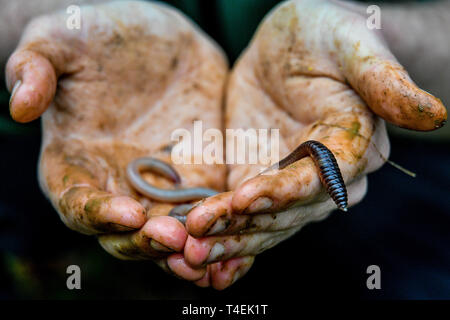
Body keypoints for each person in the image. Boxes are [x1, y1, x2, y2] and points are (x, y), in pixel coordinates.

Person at [1, 0, 449, 296]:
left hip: (398, 156)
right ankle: (46, 258)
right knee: (56, 207)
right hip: (70, 132)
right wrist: (42, 23)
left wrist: (366, 34)